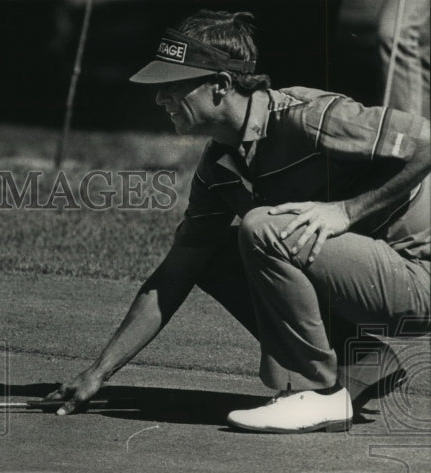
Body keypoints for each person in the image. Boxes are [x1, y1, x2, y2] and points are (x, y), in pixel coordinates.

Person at [45, 10, 430, 433]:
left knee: (263, 229)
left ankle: (315, 393)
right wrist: (99, 371)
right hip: (371, 281)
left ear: (222, 85)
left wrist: (347, 211)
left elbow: (427, 141)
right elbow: (175, 273)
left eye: (173, 87)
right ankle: (361, 360)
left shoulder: (309, 117)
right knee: (214, 252)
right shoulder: (219, 167)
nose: (159, 99)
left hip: (417, 277)